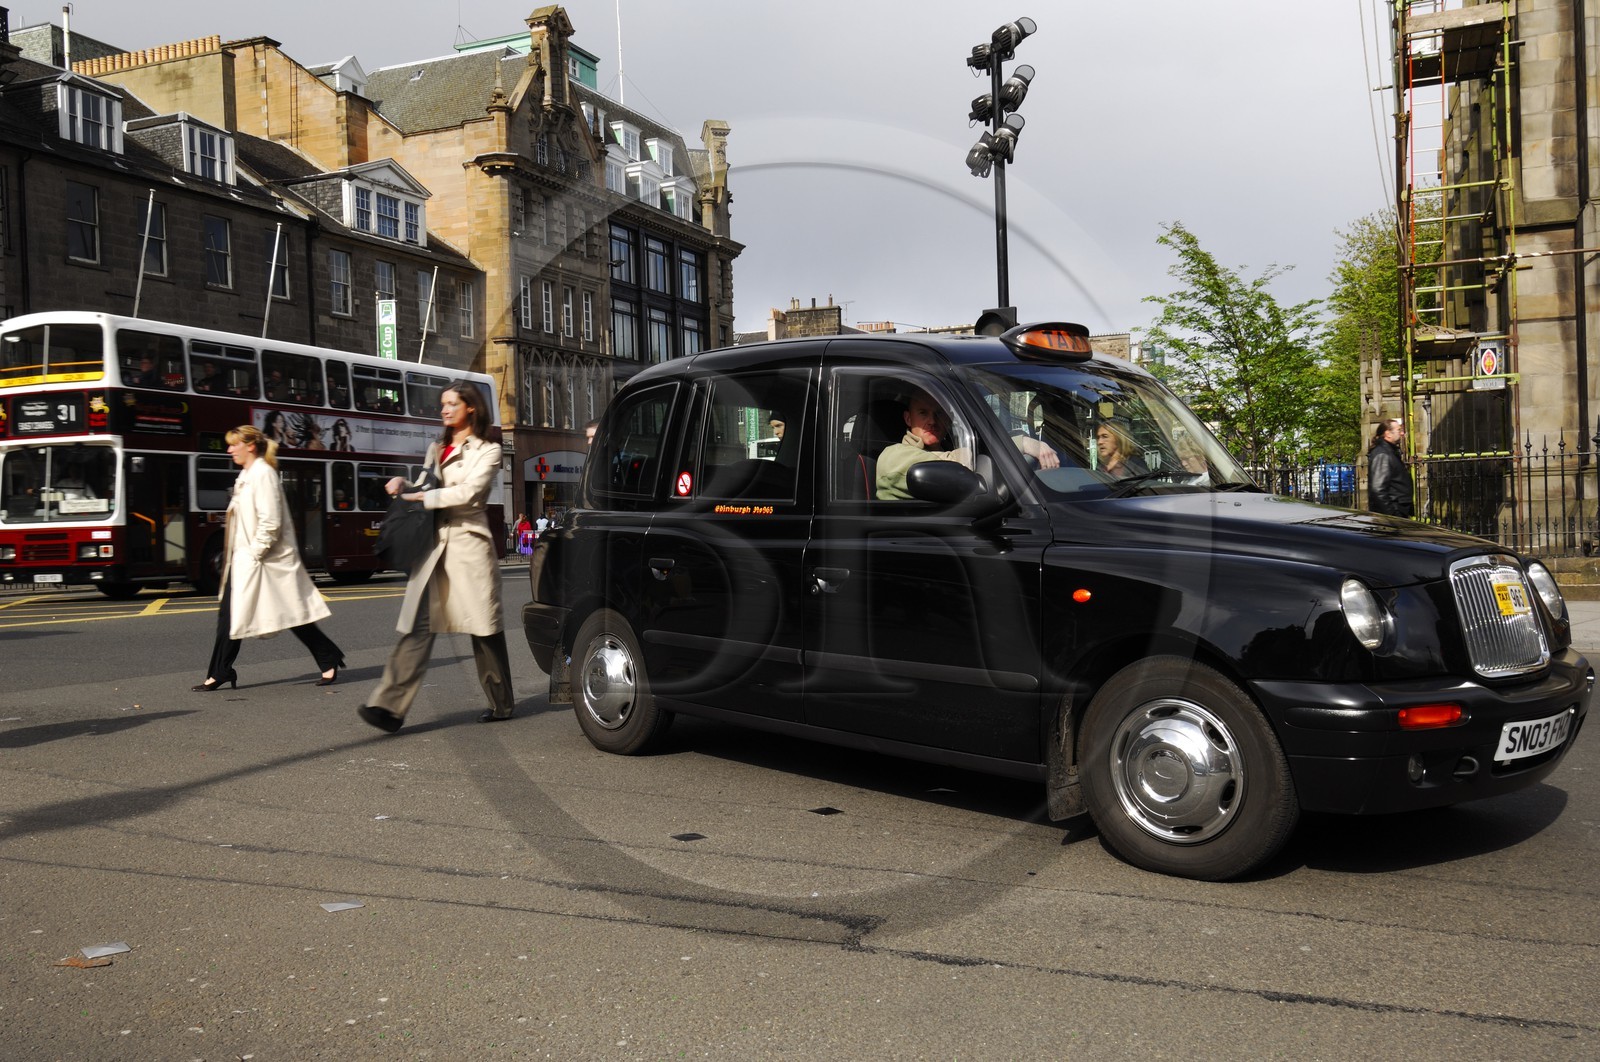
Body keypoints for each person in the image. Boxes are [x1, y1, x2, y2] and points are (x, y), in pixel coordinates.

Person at [358, 380, 515, 732]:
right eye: (442, 404)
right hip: (433, 548)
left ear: (470, 407)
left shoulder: (488, 450)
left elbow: (471, 493)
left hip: (468, 544)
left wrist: (421, 498)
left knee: (483, 628)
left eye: (450, 404)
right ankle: (388, 707)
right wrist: (405, 485)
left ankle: (501, 701)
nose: (443, 410)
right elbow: (426, 487)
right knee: (417, 626)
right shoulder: (436, 447)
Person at [193, 425, 345, 691]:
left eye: (233, 444)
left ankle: (328, 656)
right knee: (229, 615)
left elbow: (270, 522)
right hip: (244, 562)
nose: (229, 450)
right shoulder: (247, 474)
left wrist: (255, 554)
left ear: (250, 446)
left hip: (264, 562)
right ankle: (220, 671)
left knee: (292, 614)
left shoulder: (263, 474)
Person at [876, 387, 1058, 501]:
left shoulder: (949, 447)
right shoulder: (893, 456)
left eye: (939, 413)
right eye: (923, 413)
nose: (932, 421)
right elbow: (955, 463)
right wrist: (1022, 443)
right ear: (908, 418)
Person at [1367, 417, 1414, 517]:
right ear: (1388, 434)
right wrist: (1393, 514)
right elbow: (1378, 489)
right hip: (1393, 514)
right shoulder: (1382, 454)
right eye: (1399, 430)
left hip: (1399, 510)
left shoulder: (1390, 452)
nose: (1402, 434)